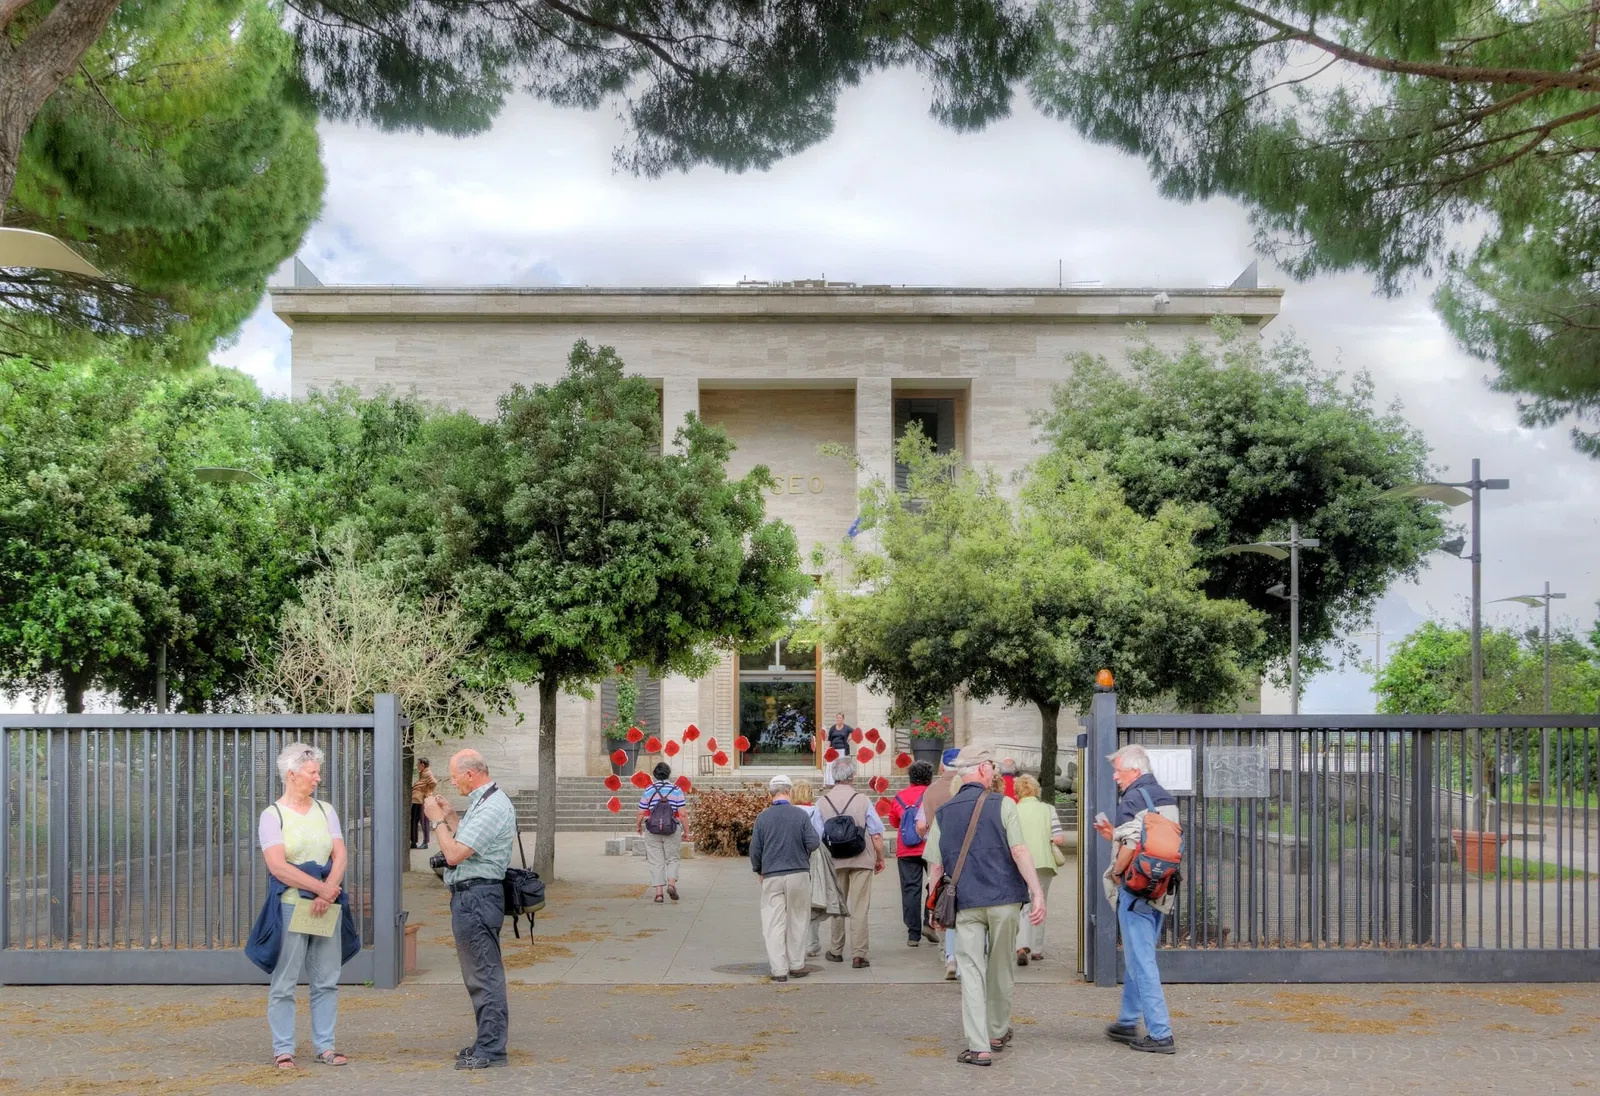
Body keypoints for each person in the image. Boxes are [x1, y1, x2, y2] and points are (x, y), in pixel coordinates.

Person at [924, 746, 1046, 1068]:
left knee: (971, 971)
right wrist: (1037, 892)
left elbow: (935, 867)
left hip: (965, 902)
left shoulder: (945, 813)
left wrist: (931, 907)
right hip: (1005, 899)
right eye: (992, 766)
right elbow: (1019, 851)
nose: (995, 772)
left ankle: (978, 1047)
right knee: (1001, 965)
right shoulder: (1004, 804)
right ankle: (996, 1031)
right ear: (981, 769)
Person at [255, 742, 354, 1070]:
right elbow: (278, 866)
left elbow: (339, 854)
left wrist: (327, 895)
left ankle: (325, 1046)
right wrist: (321, 889)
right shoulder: (273, 816)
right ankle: (283, 1048)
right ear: (292, 774)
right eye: (312, 773)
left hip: (326, 907)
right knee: (284, 981)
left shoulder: (326, 811)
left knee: (326, 978)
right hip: (291, 906)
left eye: (318, 773)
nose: (318, 779)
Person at [423, 749, 518, 1070]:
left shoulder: (493, 805)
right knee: (479, 973)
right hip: (473, 897)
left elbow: (453, 854)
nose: (452, 783)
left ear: (470, 774)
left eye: (454, 776)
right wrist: (451, 818)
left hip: (477, 897)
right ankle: (485, 1041)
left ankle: (492, 1048)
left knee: (484, 974)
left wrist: (436, 821)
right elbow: (472, 837)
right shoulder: (486, 800)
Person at [1095, 743, 1180, 1054]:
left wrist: (1117, 872)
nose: (1116, 776)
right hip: (1160, 887)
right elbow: (1154, 838)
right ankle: (1128, 1020)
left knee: (1142, 962)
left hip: (1135, 888)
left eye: (1118, 770)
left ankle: (1160, 1033)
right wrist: (1113, 834)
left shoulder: (1131, 798)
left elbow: (1132, 844)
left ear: (1134, 770)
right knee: (1139, 955)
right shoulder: (1164, 798)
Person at [814, 758, 886, 967]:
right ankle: (859, 954)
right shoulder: (862, 799)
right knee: (860, 907)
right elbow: (876, 834)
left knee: (837, 905)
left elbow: (816, 836)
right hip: (861, 858)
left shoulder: (822, 802)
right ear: (852, 776)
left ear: (833, 776)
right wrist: (879, 858)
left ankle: (836, 950)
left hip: (834, 860)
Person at [748, 774, 820, 982]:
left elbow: (755, 849)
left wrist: (759, 869)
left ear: (770, 794)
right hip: (798, 872)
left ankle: (779, 969)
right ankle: (797, 964)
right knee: (798, 919)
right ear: (790, 792)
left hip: (772, 874)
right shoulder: (800, 815)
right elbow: (813, 842)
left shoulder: (763, 817)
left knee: (773, 922)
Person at [915, 747, 963, 979]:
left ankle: (946, 950)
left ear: (943, 766)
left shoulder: (931, 791)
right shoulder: (968, 788)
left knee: (941, 895)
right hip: (965, 851)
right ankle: (961, 952)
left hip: (937, 847)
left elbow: (922, 824)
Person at [1012, 774, 1067, 965]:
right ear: (1037, 790)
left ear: (1017, 792)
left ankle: (1021, 945)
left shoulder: (1012, 810)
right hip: (1043, 862)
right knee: (1039, 902)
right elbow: (1059, 838)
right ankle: (1036, 949)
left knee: (1021, 905)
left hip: (1018, 863)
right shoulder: (1048, 809)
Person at [886, 760, 937, 947]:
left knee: (910, 890)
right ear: (930, 777)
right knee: (934, 886)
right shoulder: (931, 795)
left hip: (906, 849)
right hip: (930, 846)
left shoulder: (899, 796)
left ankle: (913, 934)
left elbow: (893, 821)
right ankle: (928, 922)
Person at [635, 762, 690, 903]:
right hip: (671, 829)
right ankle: (671, 884)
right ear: (668, 774)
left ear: (655, 774)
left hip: (652, 830)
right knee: (672, 858)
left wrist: (638, 826)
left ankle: (659, 894)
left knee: (656, 861)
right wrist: (686, 831)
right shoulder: (676, 790)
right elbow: (682, 814)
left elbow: (641, 812)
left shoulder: (648, 790)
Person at [791, 778, 824, 957]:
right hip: (811, 860)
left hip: (792, 859)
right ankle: (812, 943)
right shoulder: (814, 811)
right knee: (811, 901)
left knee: (794, 904)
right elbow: (819, 835)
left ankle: (795, 942)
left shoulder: (789, 812)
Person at [411, 758, 438, 850]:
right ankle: (413, 842)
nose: (417, 766)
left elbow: (434, 782)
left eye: (418, 764)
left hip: (422, 800)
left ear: (423, 764)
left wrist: (426, 792)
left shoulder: (428, 773)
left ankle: (425, 843)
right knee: (413, 821)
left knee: (424, 822)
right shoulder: (422, 773)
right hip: (416, 800)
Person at [823, 713, 853, 786]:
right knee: (832, 765)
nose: (839, 719)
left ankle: (841, 781)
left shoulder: (847, 728)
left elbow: (855, 732)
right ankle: (830, 781)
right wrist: (827, 748)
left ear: (843, 719)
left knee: (841, 765)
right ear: (836, 718)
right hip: (833, 750)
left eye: (840, 718)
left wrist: (849, 738)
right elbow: (829, 739)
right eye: (838, 718)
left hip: (843, 749)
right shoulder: (833, 728)